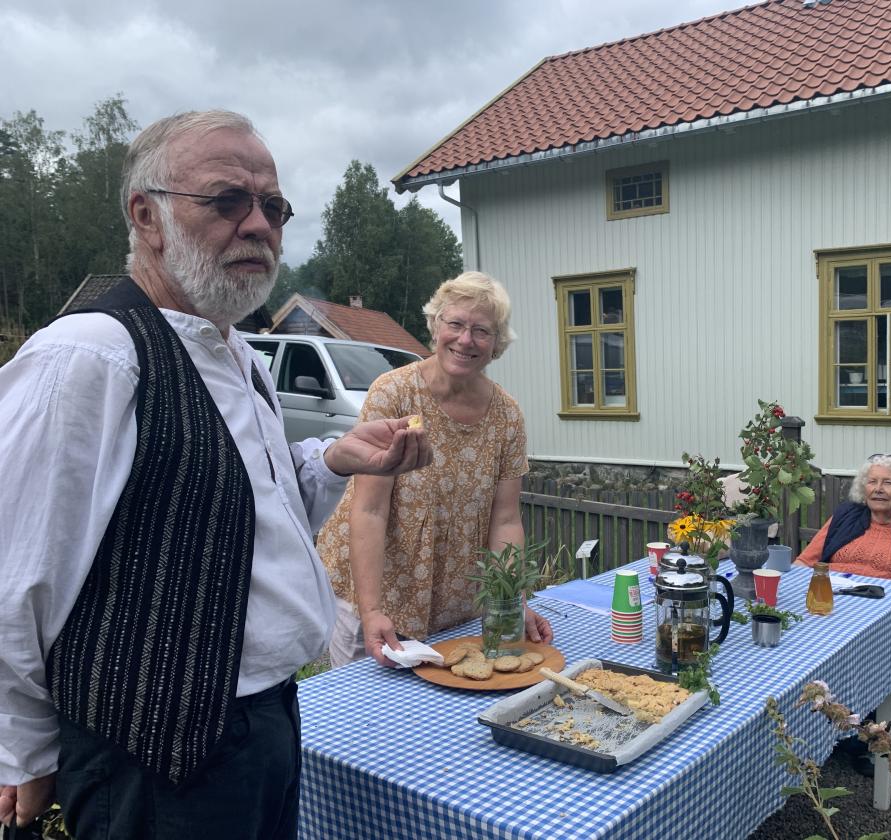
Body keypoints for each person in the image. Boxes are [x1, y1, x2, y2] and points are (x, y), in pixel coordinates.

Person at [0, 110, 432, 838]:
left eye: (273, 206)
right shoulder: (91, 356)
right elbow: (17, 572)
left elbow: (240, 516)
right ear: (148, 216)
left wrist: (333, 459)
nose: (258, 224)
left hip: (268, 724)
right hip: (156, 761)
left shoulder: (241, 360)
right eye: (227, 200)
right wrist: (20, 747)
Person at [317, 271, 553, 668]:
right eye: (456, 324)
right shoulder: (393, 393)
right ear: (435, 326)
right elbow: (369, 509)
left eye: (482, 330)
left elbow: (506, 520)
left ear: (497, 344)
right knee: (365, 713)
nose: (465, 340)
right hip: (375, 593)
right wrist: (372, 610)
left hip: (453, 603)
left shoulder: (508, 415)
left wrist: (512, 603)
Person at [795, 454, 891, 612]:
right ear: (864, 489)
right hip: (828, 602)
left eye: (888, 483)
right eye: (872, 482)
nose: (878, 489)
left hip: (884, 610)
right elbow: (803, 563)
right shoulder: (846, 516)